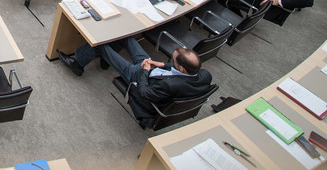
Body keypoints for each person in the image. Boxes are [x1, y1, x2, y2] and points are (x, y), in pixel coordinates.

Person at [57, 40, 211, 128]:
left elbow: (145, 93)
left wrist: (144, 70)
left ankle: (78, 64)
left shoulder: (170, 86)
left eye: (173, 60)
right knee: (127, 38)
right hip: (153, 71)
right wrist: (163, 65)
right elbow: (176, 70)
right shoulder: (204, 75)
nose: (171, 60)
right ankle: (106, 60)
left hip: (139, 77)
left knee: (99, 44)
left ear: (182, 68)